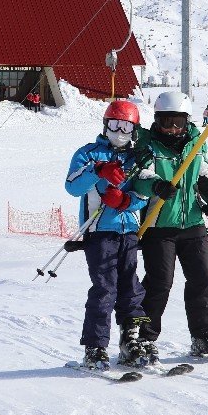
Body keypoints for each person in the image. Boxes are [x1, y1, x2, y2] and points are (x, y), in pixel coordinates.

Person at [131, 91, 208, 363]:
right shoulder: (148, 146)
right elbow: (140, 177)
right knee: (159, 283)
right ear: (157, 120)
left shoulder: (196, 143)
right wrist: (156, 186)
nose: (172, 129)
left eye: (178, 122)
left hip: (193, 223)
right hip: (159, 224)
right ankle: (144, 338)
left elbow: (204, 172)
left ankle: (204, 336)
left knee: (203, 281)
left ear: (187, 121)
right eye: (166, 122)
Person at [65, 100, 148, 370]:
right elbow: (73, 186)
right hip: (99, 230)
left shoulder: (136, 158)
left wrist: (125, 202)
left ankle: (131, 340)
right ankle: (96, 347)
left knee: (131, 289)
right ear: (105, 124)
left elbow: (144, 194)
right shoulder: (88, 154)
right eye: (114, 124)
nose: (120, 132)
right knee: (104, 289)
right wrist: (98, 171)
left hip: (129, 231)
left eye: (126, 126)